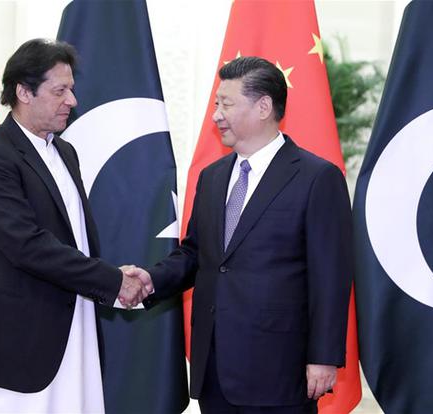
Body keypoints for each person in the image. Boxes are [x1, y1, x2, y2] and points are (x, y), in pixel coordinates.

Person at [127, 57, 353, 414]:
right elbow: (197, 255)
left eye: (226, 104)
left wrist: (323, 357)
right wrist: (151, 279)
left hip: (280, 371)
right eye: (216, 103)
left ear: (264, 106)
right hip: (215, 368)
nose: (216, 114)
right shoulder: (212, 176)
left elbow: (331, 276)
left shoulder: (316, 178)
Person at [0, 38, 149, 414]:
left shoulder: (64, 151)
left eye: (71, 89)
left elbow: (70, 238)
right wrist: (111, 280)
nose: (72, 101)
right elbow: (27, 245)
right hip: (16, 343)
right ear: (24, 92)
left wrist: (108, 274)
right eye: (60, 91)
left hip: (73, 328)